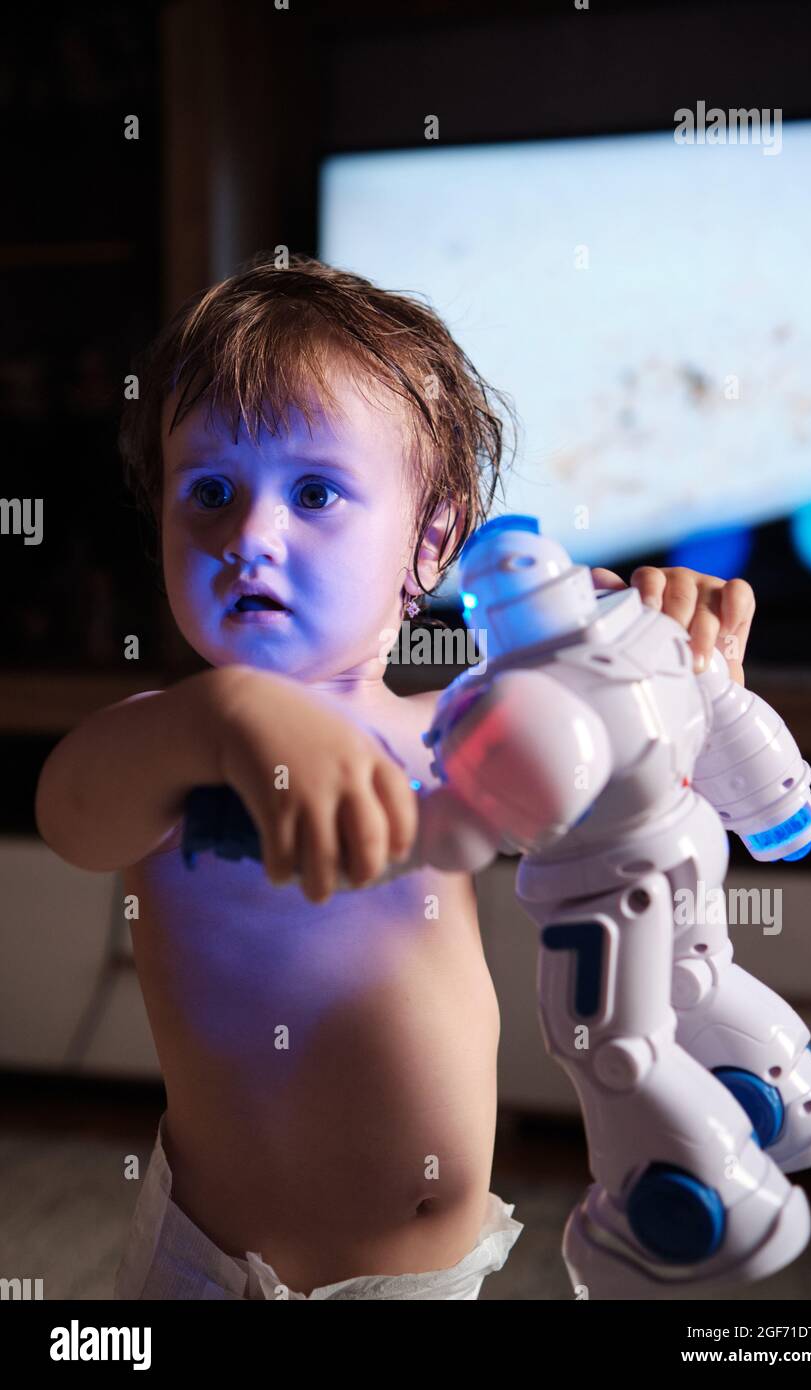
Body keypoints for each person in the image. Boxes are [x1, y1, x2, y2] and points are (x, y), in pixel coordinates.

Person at [35, 252, 756, 1300]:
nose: (251, 537)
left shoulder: (455, 735)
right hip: (210, 1270)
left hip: (420, 1281)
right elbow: (71, 813)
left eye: (316, 490)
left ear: (433, 539)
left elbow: (641, 836)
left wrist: (676, 689)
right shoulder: (173, 742)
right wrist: (228, 716)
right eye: (209, 491)